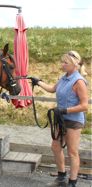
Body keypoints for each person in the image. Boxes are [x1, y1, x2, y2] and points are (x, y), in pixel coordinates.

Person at [31, 51, 88, 187]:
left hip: (73, 120)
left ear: (74, 65)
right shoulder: (64, 78)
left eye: (65, 63)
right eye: (62, 62)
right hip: (61, 119)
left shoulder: (79, 82)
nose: (62, 65)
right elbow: (52, 89)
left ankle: (72, 182)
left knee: (72, 152)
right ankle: (61, 177)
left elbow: (84, 106)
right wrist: (38, 82)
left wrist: (64, 110)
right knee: (55, 147)